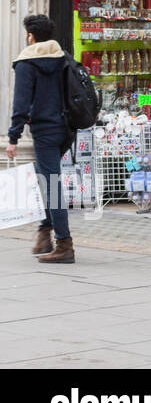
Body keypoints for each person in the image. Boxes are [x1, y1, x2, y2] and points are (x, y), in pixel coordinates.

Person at [5, 14, 75, 263]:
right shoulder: (63, 58)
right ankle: (44, 232)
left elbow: (21, 103)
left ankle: (64, 244)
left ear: (30, 36)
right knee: (43, 175)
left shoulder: (27, 63)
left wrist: (13, 137)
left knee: (51, 183)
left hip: (45, 130)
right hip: (66, 129)